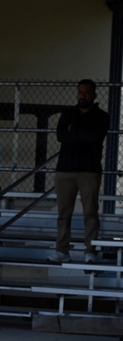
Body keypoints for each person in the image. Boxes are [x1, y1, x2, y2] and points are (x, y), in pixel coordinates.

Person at [48, 79, 110, 264]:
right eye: (80, 92)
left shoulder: (101, 116)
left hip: (89, 170)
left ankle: (90, 251)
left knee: (90, 212)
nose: (82, 95)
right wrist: (80, 132)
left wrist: (73, 131)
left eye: (87, 92)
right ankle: (62, 251)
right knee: (63, 212)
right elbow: (60, 136)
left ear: (94, 94)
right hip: (65, 170)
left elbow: (94, 137)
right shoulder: (68, 113)